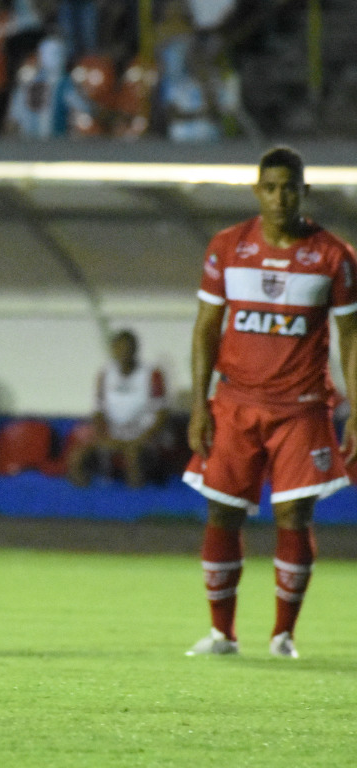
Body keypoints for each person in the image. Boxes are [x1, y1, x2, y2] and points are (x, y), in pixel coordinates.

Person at [183, 146, 357, 659]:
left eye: (290, 187)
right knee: (222, 513)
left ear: (304, 192)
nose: (281, 196)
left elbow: (351, 338)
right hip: (235, 403)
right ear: (258, 190)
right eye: (272, 187)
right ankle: (222, 635)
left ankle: (283, 636)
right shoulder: (227, 248)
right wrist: (199, 404)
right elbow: (206, 330)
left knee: (293, 518)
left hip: (302, 408)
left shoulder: (334, 256)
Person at [66, 329, 170, 489]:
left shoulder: (151, 374)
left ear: (136, 349)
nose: (124, 352)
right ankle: (84, 503)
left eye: (128, 348)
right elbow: (98, 411)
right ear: (113, 350)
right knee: (78, 457)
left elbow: (161, 414)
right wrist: (103, 436)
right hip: (114, 434)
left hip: (143, 436)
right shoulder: (105, 374)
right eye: (119, 348)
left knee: (133, 457)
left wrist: (141, 439)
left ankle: (135, 499)